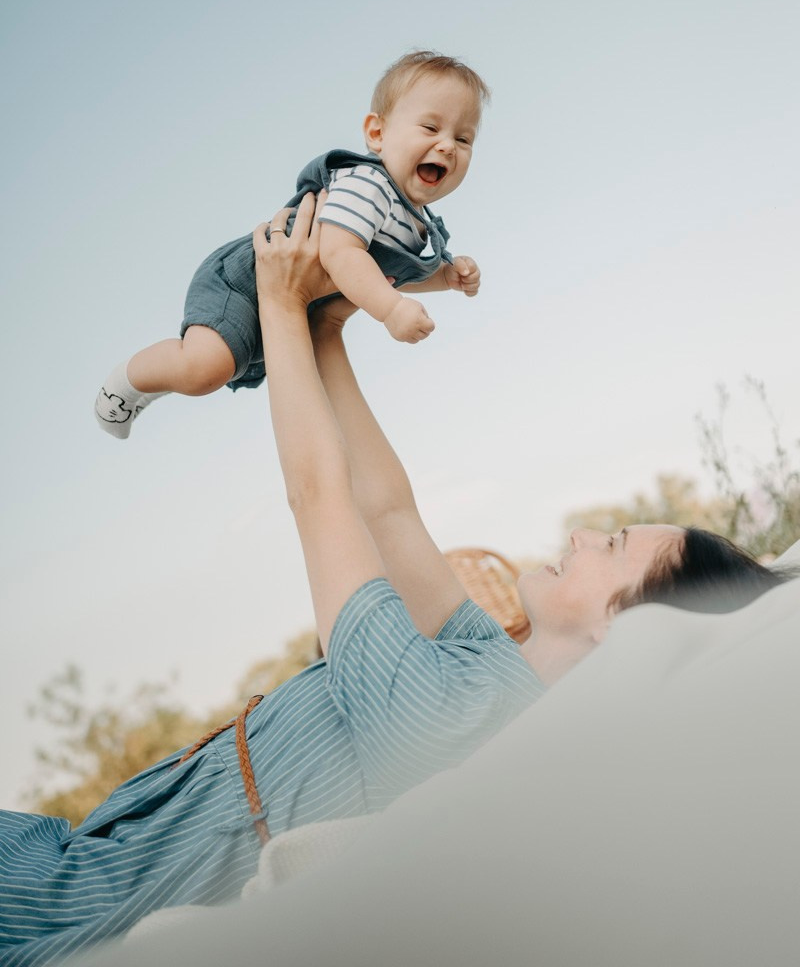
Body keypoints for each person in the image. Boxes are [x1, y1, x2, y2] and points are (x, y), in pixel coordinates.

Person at [1, 197, 791, 967]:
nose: (582, 535)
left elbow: (322, 498)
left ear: (627, 628)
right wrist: (328, 329)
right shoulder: (493, 669)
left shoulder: (456, 722)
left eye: (612, 546)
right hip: (92, 845)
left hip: (90, 897)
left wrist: (279, 312)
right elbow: (388, 511)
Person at [94, 50, 487, 440]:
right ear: (377, 134)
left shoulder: (415, 224)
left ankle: (165, 377)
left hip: (291, 302)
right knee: (203, 369)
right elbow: (340, 253)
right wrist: (391, 311)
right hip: (244, 283)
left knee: (214, 369)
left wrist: (444, 277)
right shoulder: (369, 185)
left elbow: (388, 276)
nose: (448, 146)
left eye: (463, 138)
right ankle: (126, 383)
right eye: (430, 128)